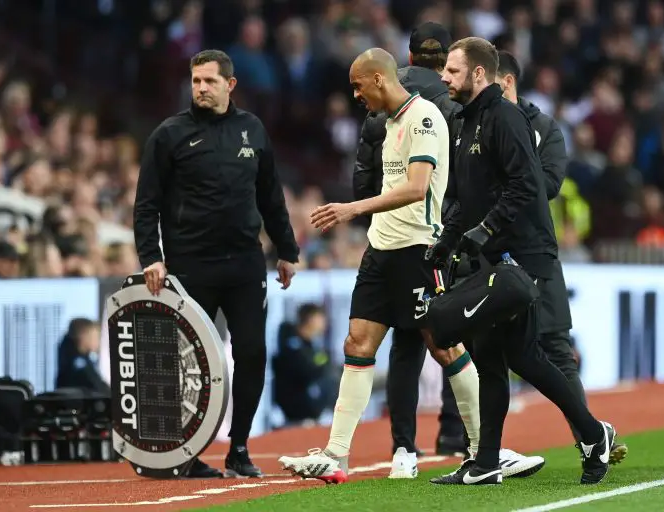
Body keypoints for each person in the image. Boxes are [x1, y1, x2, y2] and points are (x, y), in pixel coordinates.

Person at [352, 23, 542, 478]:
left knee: (405, 345)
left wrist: (364, 211)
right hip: (446, 235)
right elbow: (473, 181)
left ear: (410, 57)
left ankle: (405, 450)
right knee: (452, 339)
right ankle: (473, 444)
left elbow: (366, 169)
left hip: (405, 237)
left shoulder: (387, 101)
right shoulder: (453, 108)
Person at [428, 37, 616, 485]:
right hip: (492, 253)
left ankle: (591, 434)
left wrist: (486, 230)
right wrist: (448, 240)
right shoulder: (464, 122)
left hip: (523, 253)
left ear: (479, 74)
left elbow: (527, 187)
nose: (444, 78)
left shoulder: (505, 118)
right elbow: (464, 198)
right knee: (495, 357)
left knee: (521, 356)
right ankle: (487, 461)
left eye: (453, 71)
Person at [278, 47, 464, 483]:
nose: (355, 95)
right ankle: (336, 455)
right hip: (382, 250)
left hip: (419, 250)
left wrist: (352, 209)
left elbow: (417, 188)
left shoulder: (423, 118)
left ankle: (482, 449)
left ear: (379, 79)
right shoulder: (389, 123)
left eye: (358, 85)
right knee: (357, 343)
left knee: (443, 346)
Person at [134, 49, 299, 479]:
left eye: (209, 81)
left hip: (246, 265)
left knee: (251, 355)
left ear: (230, 84)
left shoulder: (253, 130)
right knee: (187, 365)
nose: (201, 88)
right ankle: (181, 451)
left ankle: (239, 448)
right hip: (190, 268)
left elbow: (271, 196)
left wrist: (287, 250)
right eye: (195, 81)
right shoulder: (169, 135)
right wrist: (151, 257)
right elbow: (146, 204)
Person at [272, 304, 337, 425]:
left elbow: (319, 363)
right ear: (311, 319)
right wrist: (323, 363)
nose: (324, 323)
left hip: (312, 412)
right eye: (321, 318)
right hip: (297, 414)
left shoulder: (311, 347)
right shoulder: (292, 345)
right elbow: (306, 370)